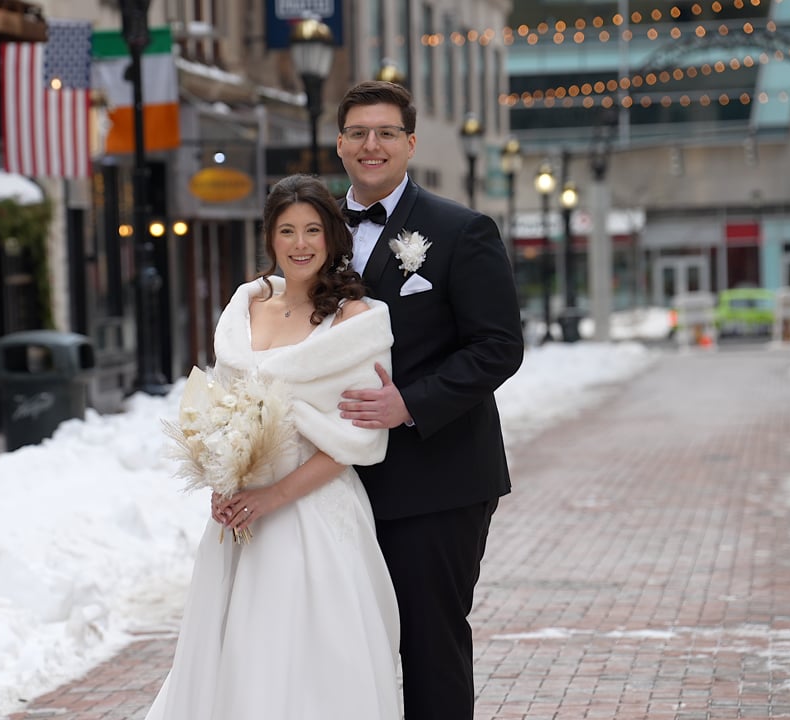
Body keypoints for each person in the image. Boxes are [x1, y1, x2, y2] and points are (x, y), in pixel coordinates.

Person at [144, 174, 402, 720]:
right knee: (233, 657)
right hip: (241, 516)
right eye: (287, 231)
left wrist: (275, 497)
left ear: (333, 238)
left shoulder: (354, 320)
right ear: (271, 238)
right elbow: (219, 412)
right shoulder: (246, 308)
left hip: (311, 510)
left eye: (313, 230)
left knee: (303, 660)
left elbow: (355, 441)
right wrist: (223, 481)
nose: (301, 243)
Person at [335, 80, 525, 718]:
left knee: (429, 644)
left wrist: (409, 405)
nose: (372, 144)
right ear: (339, 144)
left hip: (437, 479)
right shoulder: (314, 234)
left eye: (386, 132)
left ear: (410, 143)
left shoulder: (461, 229)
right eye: (358, 132)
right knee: (346, 646)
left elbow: (498, 346)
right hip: (336, 480)